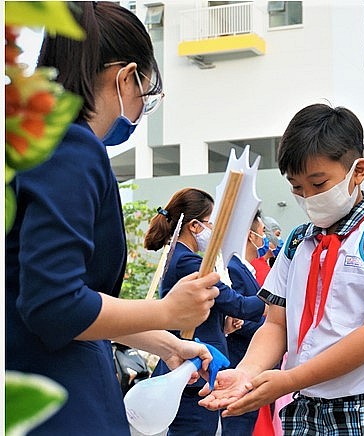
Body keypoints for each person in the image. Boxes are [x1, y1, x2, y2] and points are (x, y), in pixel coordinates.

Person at [5, 3, 219, 435]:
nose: (142, 107)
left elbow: (43, 296)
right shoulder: (72, 147)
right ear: (125, 77)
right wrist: (164, 310)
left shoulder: (32, 142)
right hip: (60, 399)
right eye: (147, 93)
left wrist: (160, 339)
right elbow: (56, 306)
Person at [199, 103, 364, 434]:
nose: (308, 197)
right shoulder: (296, 243)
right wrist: (246, 372)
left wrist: (289, 379)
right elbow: (276, 324)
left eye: (318, 184)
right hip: (307, 405)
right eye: (297, 187)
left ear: (358, 171)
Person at [144, 187, 266, 436]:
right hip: (195, 364)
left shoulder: (174, 256)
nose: (214, 231)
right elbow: (238, 304)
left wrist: (223, 324)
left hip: (191, 361)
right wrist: (275, 298)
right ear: (195, 226)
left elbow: (195, 312)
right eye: (211, 224)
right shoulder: (189, 261)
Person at [221, 211, 269, 435]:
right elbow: (237, 318)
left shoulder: (246, 268)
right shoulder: (233, 268)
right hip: (240, 358)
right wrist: (271, 330)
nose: (265, 238)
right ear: (250, 235)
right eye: (262, 232)